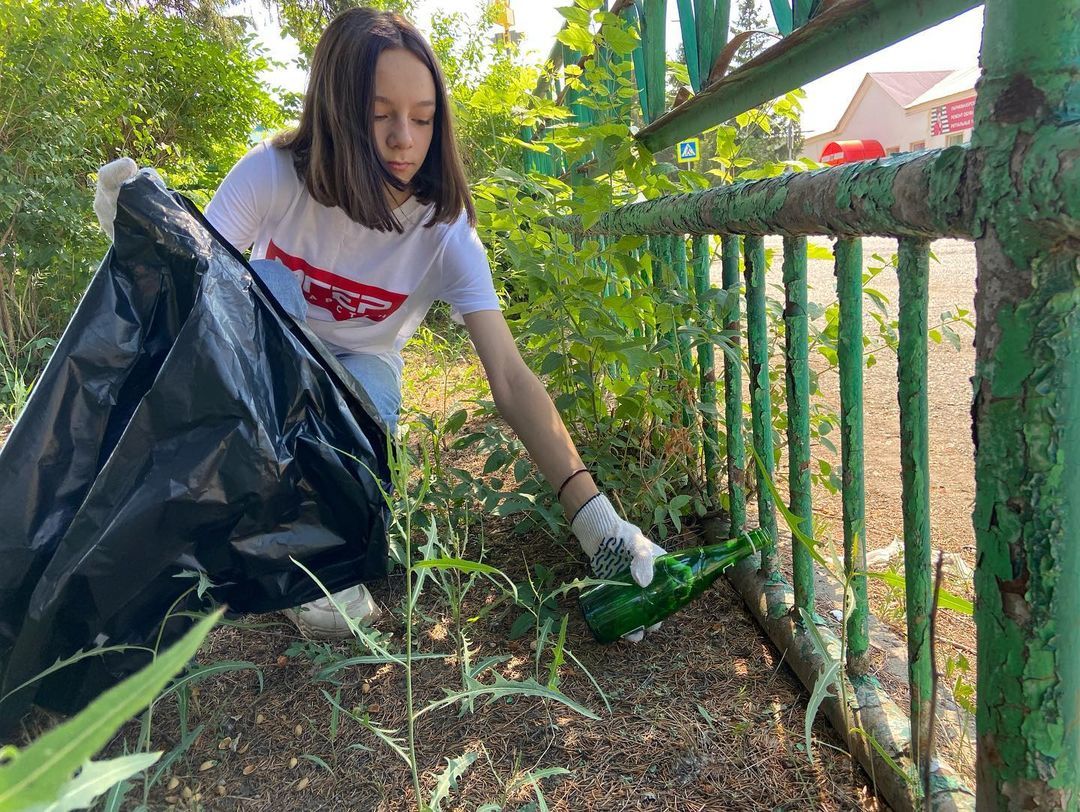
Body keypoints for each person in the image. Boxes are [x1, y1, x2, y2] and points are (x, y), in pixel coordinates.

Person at [94, 7, 665, 642]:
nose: (404, 139)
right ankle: (219, 521)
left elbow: (509, 376)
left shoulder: (444, 233)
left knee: (366, 396)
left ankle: (315, 557)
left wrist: (597, 521)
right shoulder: (273, 173)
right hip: (259, 355)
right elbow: (200, 294)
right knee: (265, 286)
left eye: (423, 119)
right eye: (380, 114)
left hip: (354, 383)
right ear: (336, 108)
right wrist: (148, 241)